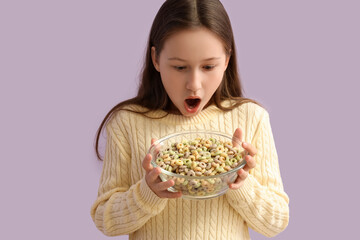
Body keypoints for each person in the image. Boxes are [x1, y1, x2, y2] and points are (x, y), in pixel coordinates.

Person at [90, 0, 289, 239]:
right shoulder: (127, 123)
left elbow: (276, 222)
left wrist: (238, 181)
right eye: (179, 67)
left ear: (226, 59)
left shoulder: (251, 118)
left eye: (208, 66)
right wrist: (147, 192)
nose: (194, 84)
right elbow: (106, 220)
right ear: (156, 59)